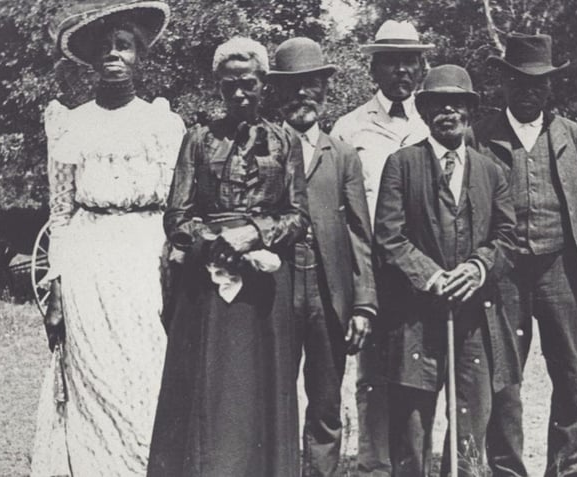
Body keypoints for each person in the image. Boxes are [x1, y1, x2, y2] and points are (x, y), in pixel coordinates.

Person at [30, 1, 185, 475]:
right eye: (105, 48)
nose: (113, 55)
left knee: (144, 369)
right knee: (92, 372)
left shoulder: (162, 123)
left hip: (144, 259)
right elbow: (61, 212)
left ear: (140, 55)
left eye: (124, 46)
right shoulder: (71, 124)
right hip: (88, 261)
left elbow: (177, 206)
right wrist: (55, 286)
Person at [147, 37, 310, 477]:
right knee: (207, 391)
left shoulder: (285, 141)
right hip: (206, 287)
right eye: (229, 86)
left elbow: (298, 217)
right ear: (218, 87)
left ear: (264, 85)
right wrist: (213, 240)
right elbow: (177, 215)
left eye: (249, 84)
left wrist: (255, 233)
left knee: (260, 392)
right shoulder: (198, 140)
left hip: (264, 289)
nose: (239, 94)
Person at [373, 65, 519, 477]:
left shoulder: (491, 171)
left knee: (471, 424)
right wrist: (432, 276)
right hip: (416, 318)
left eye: (457, 104)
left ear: (470, 112)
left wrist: (478, 267)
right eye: (438, 104)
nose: (448, 112)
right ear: (424, 111)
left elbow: (508, 237)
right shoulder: (402, 164)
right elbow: (388, 236)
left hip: (474, 319)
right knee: (411, 431)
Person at [472, 33, 577, 477]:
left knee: (571, 379)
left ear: (550, 87)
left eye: (538, 83)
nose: (528, 91)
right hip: (504, 274)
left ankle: (565, 470)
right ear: (503, 85)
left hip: (560, 271)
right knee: (503, 382)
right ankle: (507, 470)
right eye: (518, 82)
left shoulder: (574, 138)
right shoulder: (481, 135)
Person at [267, 37, 377, 476]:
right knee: (273, 396)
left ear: (325, 90)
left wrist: (364, 303)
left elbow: (359, 233)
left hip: (330, 295)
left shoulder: (342, 154)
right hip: (274, 291)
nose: (302, 96)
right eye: (293, 86)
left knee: (327, 401)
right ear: (277, 93)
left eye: (311, 85)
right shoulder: (262, 147)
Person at [330, 20, 432, 476]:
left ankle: (413, 466)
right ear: (374, 67)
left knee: (418, 374)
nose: (402, 71)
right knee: (372, 377)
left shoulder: (435, 122)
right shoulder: (349, 128)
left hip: (422, 271)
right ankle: (373, 466)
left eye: (410, 60)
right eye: (391, 60)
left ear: (421, 67)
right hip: (370, 270)